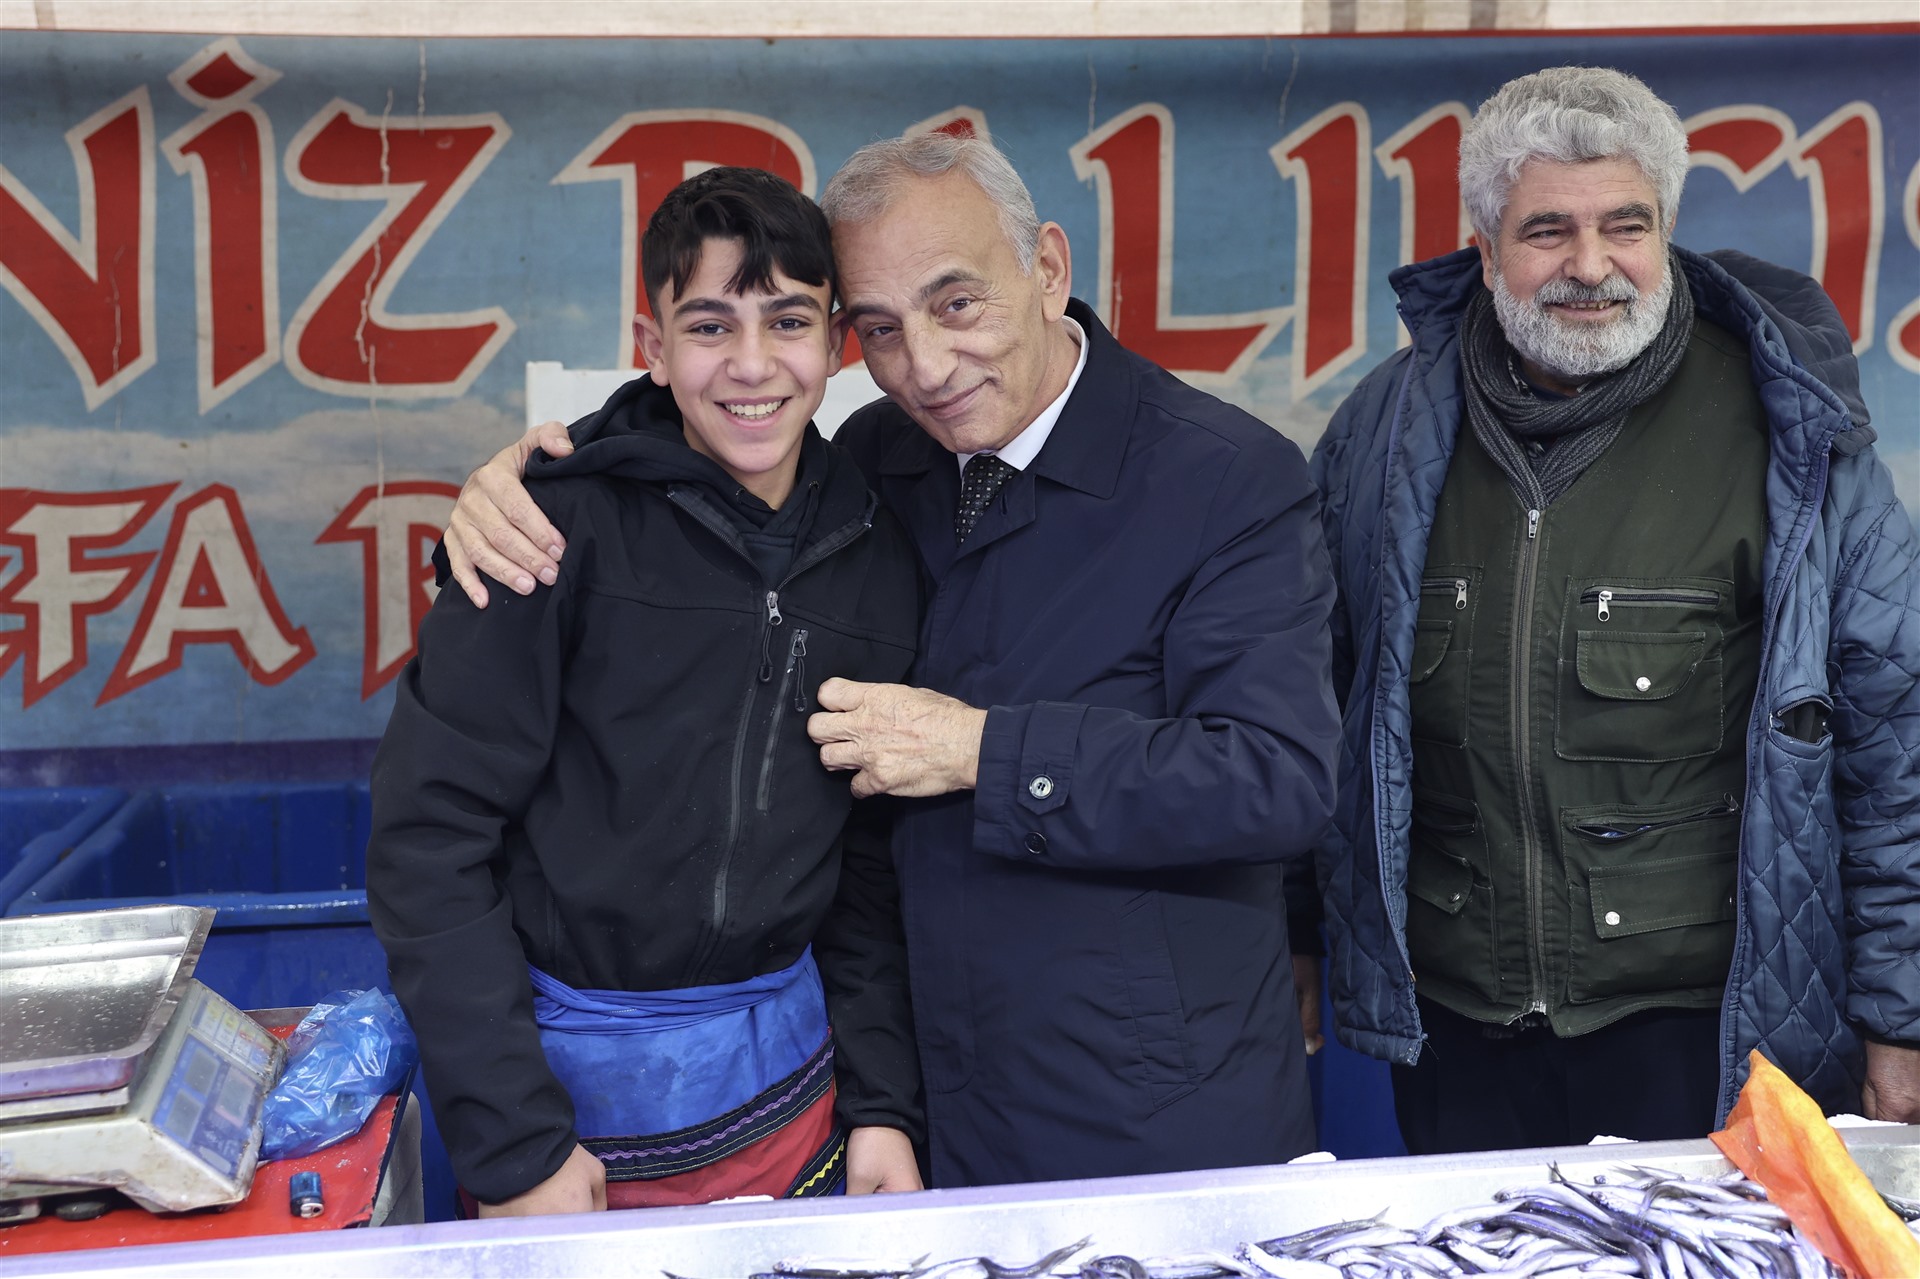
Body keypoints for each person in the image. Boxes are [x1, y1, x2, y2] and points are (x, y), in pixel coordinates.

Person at [443, 134, 1342, 1187]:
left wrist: (987, 752)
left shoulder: (1228, 479)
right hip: (915, 1103)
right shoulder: (875, 458)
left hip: (1155, 1111)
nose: (926, 365)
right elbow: (699, 436)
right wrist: (529, 479)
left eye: (956, 304)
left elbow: (1279, 776)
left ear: (1049, 268)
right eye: (879, 328)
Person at [1308, 66, 1920, 1154]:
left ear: (1667, 232)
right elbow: (1314, 711)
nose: (1590, 266)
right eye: (1547, 230)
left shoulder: (1796, 438)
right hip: (1458, 1034)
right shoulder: (1378, 438)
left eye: (1624, 226)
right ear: (1485, 248)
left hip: (1711, 1036)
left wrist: (1901, 1013)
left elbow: (1897, 743)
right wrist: (1296, 940)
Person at [366, 166, 925, 1217]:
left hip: (797, 1107)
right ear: (651, 345)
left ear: (837, 342)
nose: (752, 364)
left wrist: (886, 1106)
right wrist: (517, 1144)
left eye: (788, 321)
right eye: (709, 326)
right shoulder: (545, 530)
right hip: (567, 1121)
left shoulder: (881, 557)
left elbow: (866, 864)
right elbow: (427, 839)